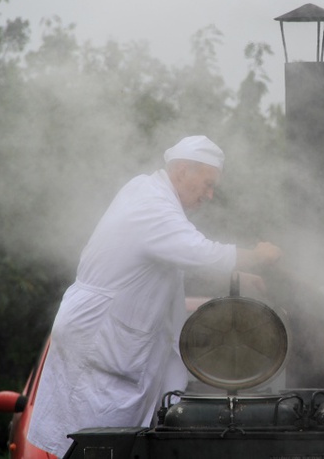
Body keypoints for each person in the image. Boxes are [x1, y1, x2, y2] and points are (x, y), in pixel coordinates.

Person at [27, 135, 282, 457]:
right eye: (206, 184)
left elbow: (169, 260)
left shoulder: (148, 192)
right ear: (181, 171)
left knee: (112, 440)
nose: (209, 194)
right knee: (98, 440)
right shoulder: (151, 205)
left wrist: (238, 274)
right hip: (101, 341)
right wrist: (256, 256)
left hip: (110, 337)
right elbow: (196, 251)